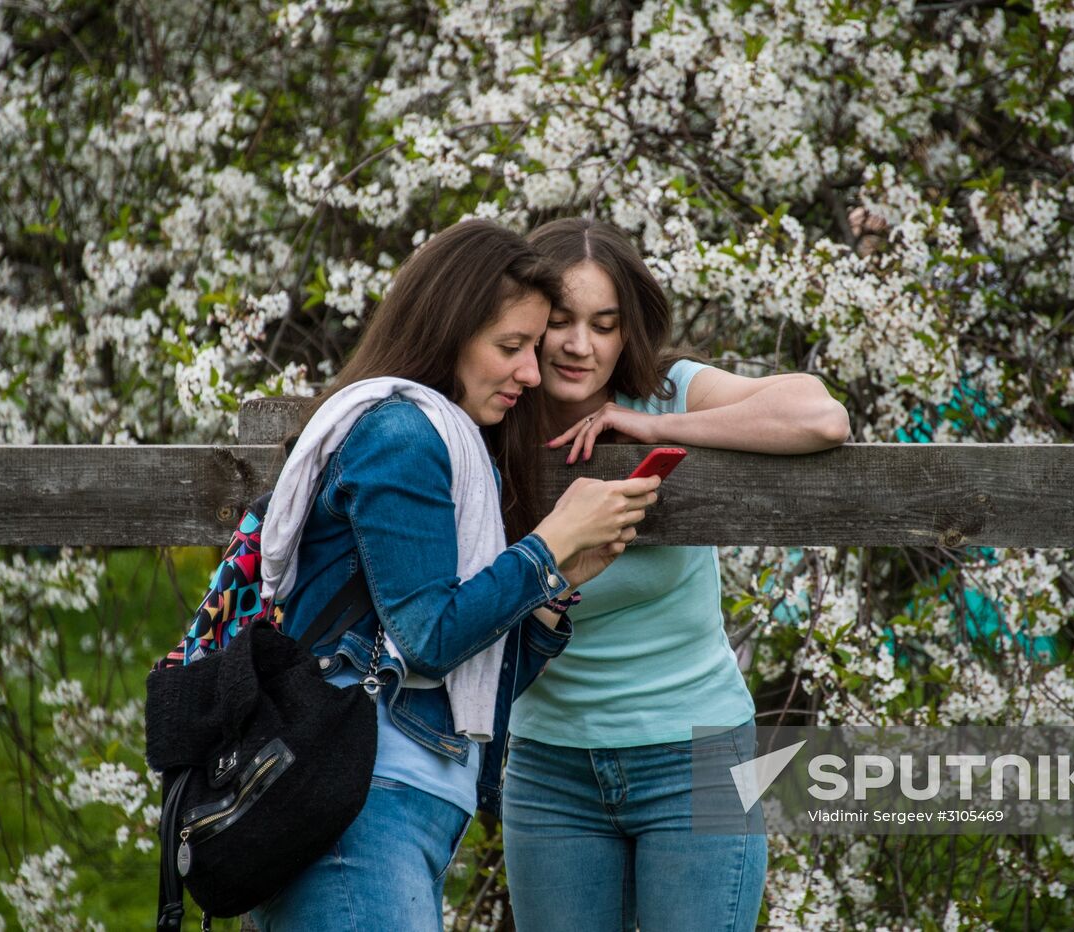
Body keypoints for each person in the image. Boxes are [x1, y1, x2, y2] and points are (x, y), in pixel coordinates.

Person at [250, 220, 660, 932]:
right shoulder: (402, 434)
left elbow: (470, 663)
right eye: (511, 348)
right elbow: (429, 639)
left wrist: (552, 585)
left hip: (400, 804)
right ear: (449, 332)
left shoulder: (451, 444)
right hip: (361, 806)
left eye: (533, 348)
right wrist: (545, 545)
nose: (532, 373)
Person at [502, 218, 850, 931]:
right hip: (549, 766)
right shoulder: (498, 406)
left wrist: (652, 429)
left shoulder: (668, 391)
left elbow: (820, 417)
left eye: (604, 324)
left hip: (697, 759)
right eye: (561, 321)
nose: (580, 345)